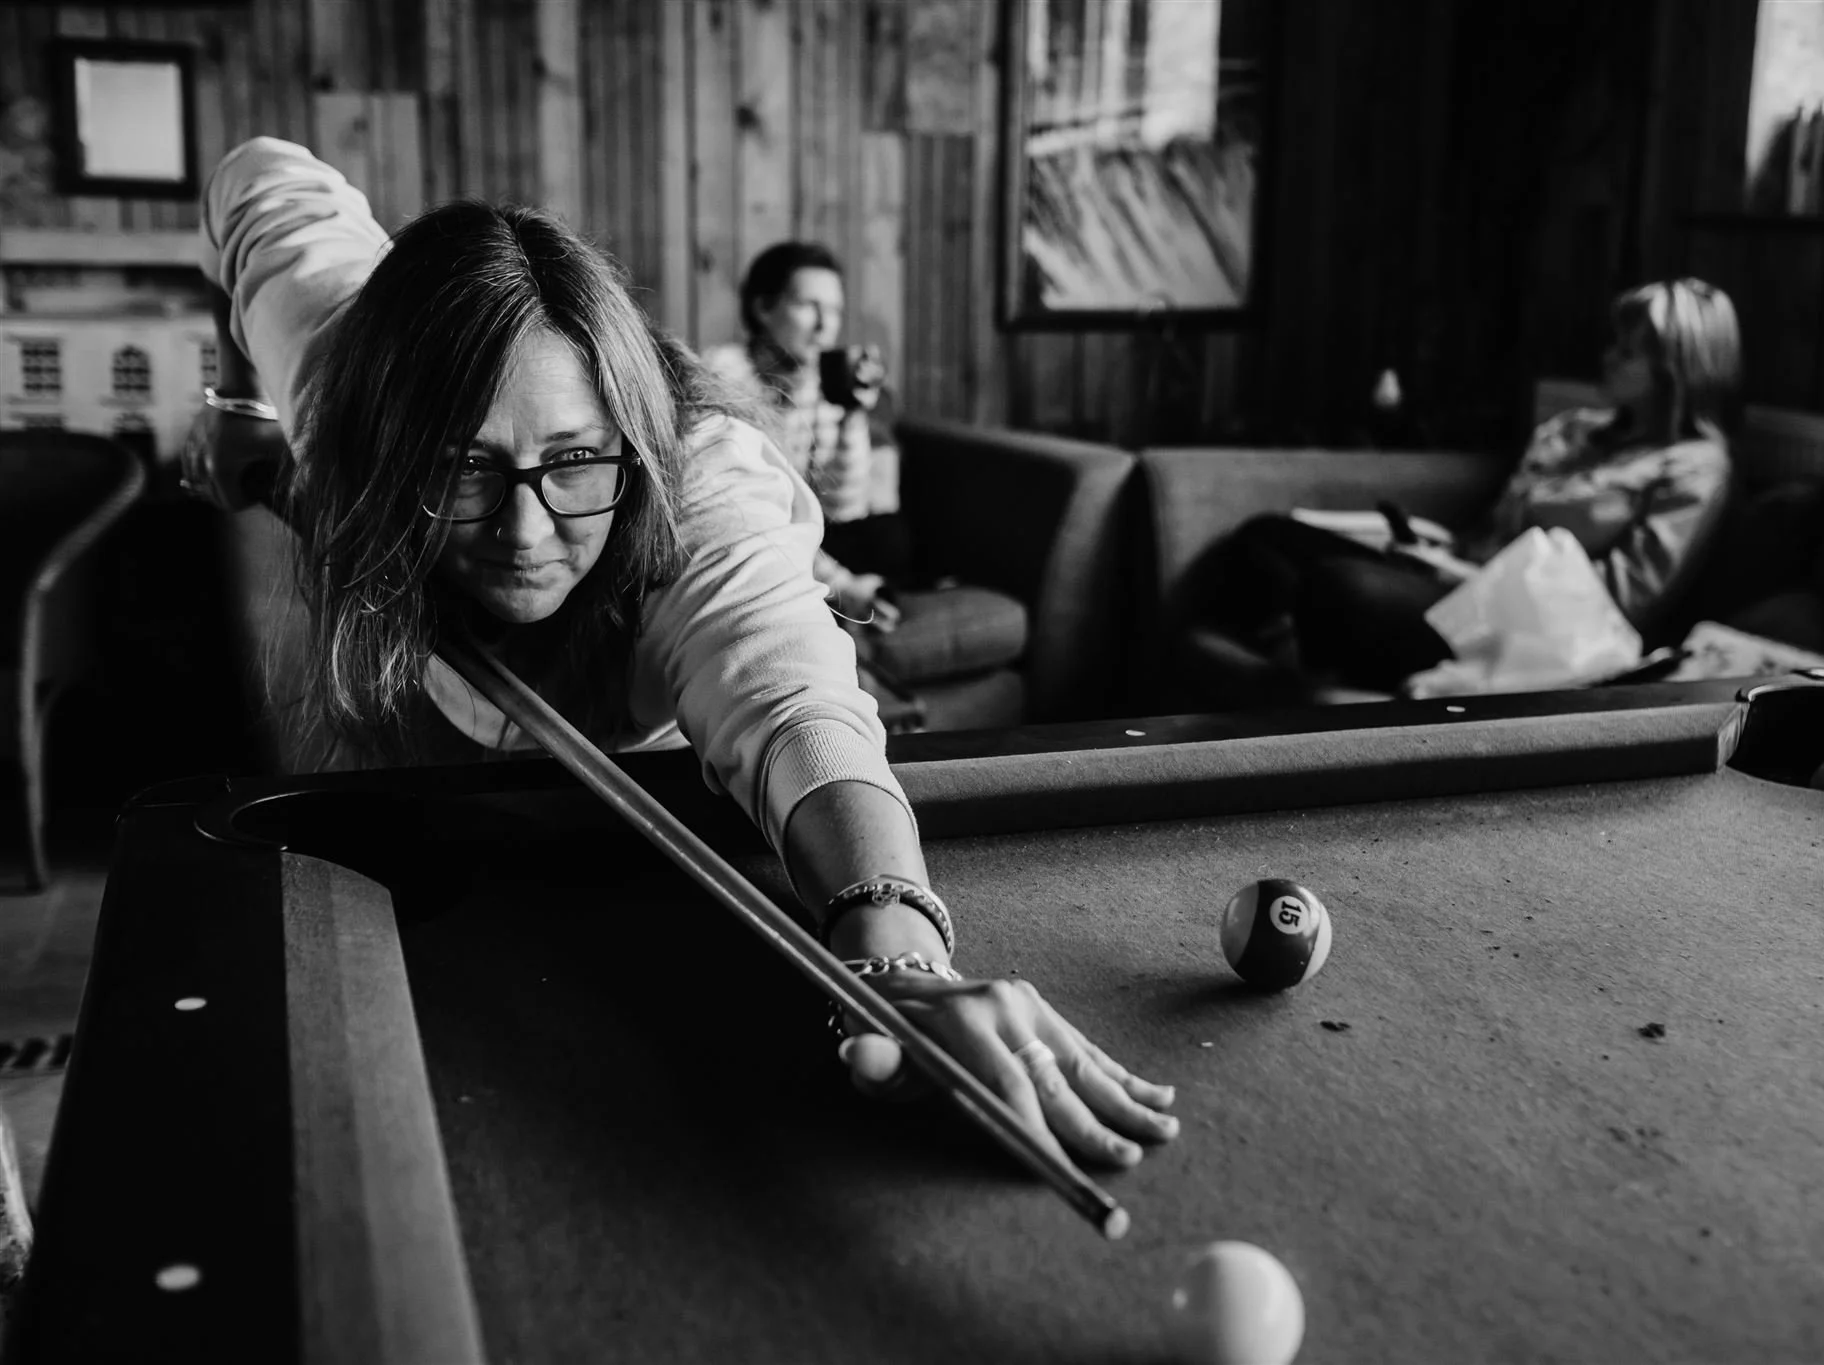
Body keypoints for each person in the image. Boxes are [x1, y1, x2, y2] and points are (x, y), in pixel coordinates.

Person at [181, 137, 1177, 1168]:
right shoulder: (332, 363)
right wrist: (238, 404)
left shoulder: (697, 492)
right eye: (458, 466)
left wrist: (894, 950)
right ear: (386, 443)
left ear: (631, 445)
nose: (525, 534)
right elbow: (252, 177)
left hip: (655, 788)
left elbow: (790, 698)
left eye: (574, 460)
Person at [1202, 278, 1741, 693]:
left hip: (1512, 622)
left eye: (1627, 351)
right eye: (1614, 344)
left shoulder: (1694, 467)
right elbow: (1492, 525)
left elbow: (1622, 603)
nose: (1608, 358)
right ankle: (1304, 645)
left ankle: (1301, 645)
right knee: (1265, 537)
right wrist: (1436, 552)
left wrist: (1460, 573)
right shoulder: (1580, 429)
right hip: (1456, 570)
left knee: (1339, 586)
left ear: (1674, 371)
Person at [701, 242, 908, 631]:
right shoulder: (722, 377)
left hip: (813, 536)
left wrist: (852, 414)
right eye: (809, 306)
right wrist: (841, 584)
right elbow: (752, 512)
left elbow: (842, 507)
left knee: (886, 534)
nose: (825, 325)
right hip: (750, 530)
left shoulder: (824, 378)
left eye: (835, 310)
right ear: (764, 308)